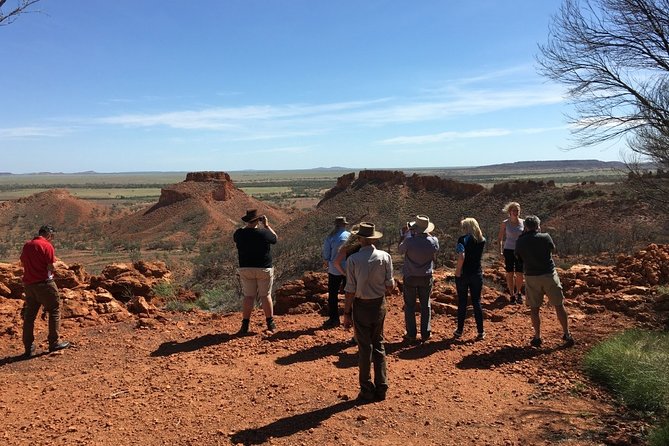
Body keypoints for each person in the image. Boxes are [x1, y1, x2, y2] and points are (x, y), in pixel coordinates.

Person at [343, 222, 395, 402]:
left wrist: (346, 313)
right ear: (373, 239)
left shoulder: (353, 260)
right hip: (379, 305)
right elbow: (390, 286)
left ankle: (366, 389)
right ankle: (382, 387)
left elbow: (350, 289)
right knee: (379, 344)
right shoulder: (385, 257)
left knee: (365, 348)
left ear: (360, 239)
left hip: (361, 306)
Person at [514, 215, 575, 348]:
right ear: (538, 226)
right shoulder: (545, 237)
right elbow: (552, 249)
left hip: (531, 276)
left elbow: (518, 258)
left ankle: (537, 337)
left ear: (526, 227)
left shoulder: (520, 241)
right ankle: (567, 333)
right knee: (559, 305)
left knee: (534, 309)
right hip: (549, 274)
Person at [20, 225, 70, 358]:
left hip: (29, 285)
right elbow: (51, 266)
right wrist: (56, 267)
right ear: (49, 234)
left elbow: (22, 262)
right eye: (52, 236)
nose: (52, 239)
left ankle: (28, 347)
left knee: (29, 316)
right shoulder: (47, 246)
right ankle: (54, 342)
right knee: (54, 309)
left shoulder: (27, 245)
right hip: (45, 283)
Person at [233, 209, 278, 335]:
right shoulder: (264, 233)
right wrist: (266, 225)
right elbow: (275, 238)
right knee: (265, 295)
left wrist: (249, 224)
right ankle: (270, 324)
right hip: (263, 268)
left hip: (246, 268)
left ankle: (245, 325)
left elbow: (239, 235)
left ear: (247, 220)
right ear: (258, 220)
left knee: (248, 297)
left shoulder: (239, 234)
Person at [398, 215, 439, 343]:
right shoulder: (433, 241)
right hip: (426, 277)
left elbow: (400, 250)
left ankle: (411, 333)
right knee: (425, 305)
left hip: (410, 276)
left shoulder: (409, 241)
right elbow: (434, 247)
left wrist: (404, 235)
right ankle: (425, 333)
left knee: (409, 305)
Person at [453, 218, 486, 340]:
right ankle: (480, 332)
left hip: (463, 274)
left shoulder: (462, 240)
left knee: (462, 302)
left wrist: (457, 271)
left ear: (467, 227)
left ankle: (459, 331)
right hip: (477, 274)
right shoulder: (482, 240)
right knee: (476, 302)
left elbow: (461, 256)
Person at [321, 216, 350, 328]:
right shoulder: (350, 236)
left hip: (334, 270)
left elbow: (326, 256)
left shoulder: (330, 237)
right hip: (348, 269)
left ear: (335, 225)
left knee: (333, 295)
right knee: (350, 293)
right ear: (344, 225)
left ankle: (334, 319)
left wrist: (328, 263)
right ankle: (350, 317)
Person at [497, 201, 525, 304]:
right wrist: (499, 252)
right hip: (508, 250)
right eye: (514, 210)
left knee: (519, 273)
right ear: (510, 211)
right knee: (509, 272)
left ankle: (518, 293)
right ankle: (512, 295)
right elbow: (500, 238)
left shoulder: (524, 222)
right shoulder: (505, 223)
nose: (516, 212)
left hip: (520, 250)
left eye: (518, 210)